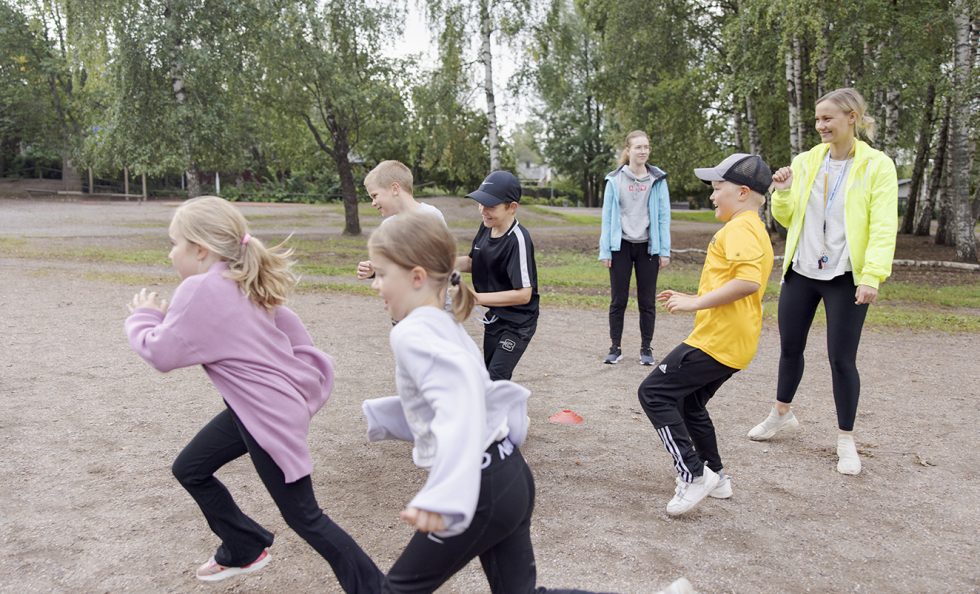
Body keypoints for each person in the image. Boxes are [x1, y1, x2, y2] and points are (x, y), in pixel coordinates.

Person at [361, 211, 693, 594]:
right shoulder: (441, 321)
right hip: (509, 473)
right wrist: (390, 417)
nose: (376, 286)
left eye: (383, 275)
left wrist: (443, 497)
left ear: (417, 277)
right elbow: (466, 395)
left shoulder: (412, 333)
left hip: (480, 485)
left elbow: (461, 406)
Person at [125, 196, 379, 590]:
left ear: (200, 249)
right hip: (256, 409)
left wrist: (143, 315)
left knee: (306, 517)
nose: (171, 253)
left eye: (174, 243)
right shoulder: (237, 277)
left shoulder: (201, 288)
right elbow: (289, 330)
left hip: (266, 416)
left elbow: (161, 352)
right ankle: (243, 545)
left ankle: (376, 589)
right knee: (190, 468)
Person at [746, 88, 898, 476]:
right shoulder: (806, 160)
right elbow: (786, 215)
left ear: (852, 118)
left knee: (841, 360)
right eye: (817, 119)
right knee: (789, 348)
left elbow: (883, 227)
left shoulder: (877, 166)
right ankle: (781, 414)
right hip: (802, 270)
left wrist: (872, 276)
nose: (820, 126)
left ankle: (846, 440)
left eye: (828, 118)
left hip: (845, 276)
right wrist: (780, 192)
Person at [637, 154, 774, 516]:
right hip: (734, 340)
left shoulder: (740, 229)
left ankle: (694, 475)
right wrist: (694, 299)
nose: (712, 197)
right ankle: (717, 475)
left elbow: (747, 282)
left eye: (717, 189)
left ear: (743, 192)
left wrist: (695, 303)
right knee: (690, 404)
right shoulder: (753, 228)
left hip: (718, 340)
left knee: (654, 393)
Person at [455, 170, 539, 381]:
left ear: (512, 208)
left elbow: (523, 294)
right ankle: (502, 411)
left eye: (490, 206)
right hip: (496, 317)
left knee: (497, 377)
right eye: (481, 204)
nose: (483, 210)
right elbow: (473, 262)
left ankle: (511, 414)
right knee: (487, 377)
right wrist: (436, 263)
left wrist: (475, 298)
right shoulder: (486, 227)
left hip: (518, 323)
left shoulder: (517, 239)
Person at [598, 130, 671, 366]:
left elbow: (663, 217)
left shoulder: (657, 180)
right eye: (638, 147)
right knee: (618, 300)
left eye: (646, 147)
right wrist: (605, 250)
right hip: (621, 246)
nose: (643, 151)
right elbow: (607, 217)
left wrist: (664, 250)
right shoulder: (614, 180)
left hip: (648, 248)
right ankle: (615, 347)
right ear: (628, 150)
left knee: (647, 301)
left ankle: (646, 348)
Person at [357, 159, 446, 280]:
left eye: (375, 195)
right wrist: (375, 271)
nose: (373, 203)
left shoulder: (430, 215)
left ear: (395, 189)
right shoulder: (387, 225)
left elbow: (439, 263)